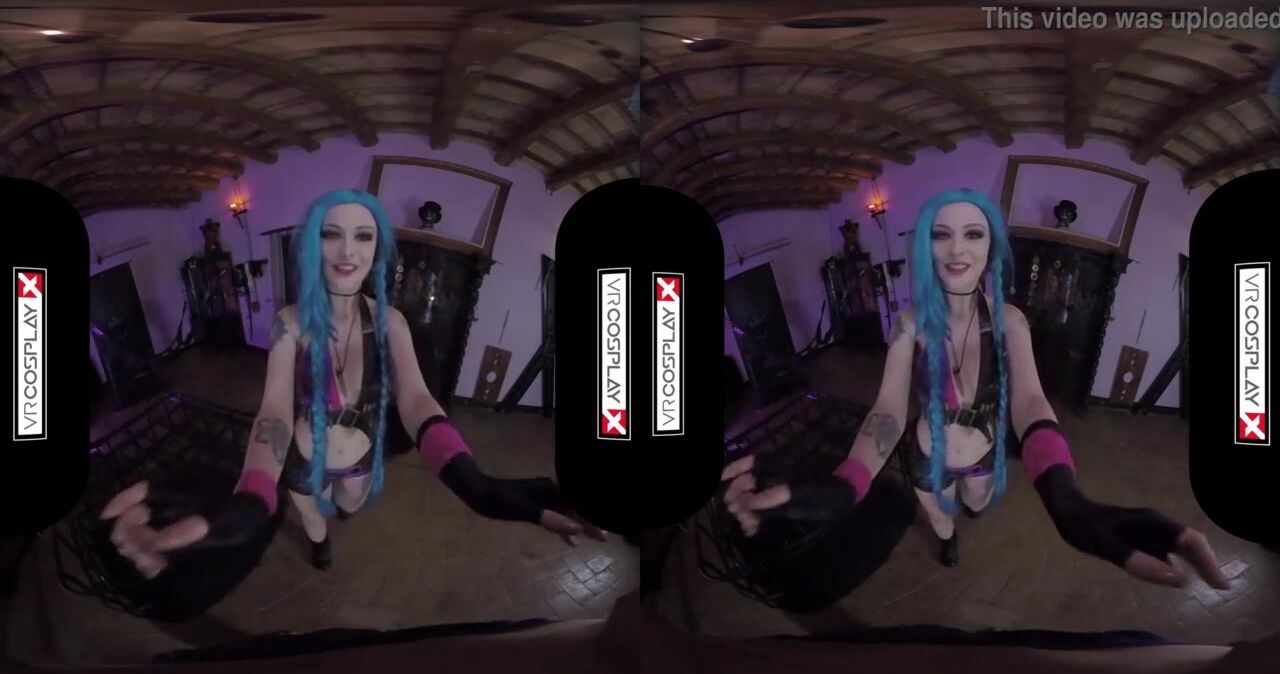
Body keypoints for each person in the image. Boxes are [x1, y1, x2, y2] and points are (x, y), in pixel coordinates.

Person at [722, 188, 1229, 590]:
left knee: (977, 501)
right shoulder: (909, 324)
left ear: (990, 249)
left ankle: (967, 510)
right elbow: (888, 411)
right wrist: (845, 484)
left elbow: (1030, 401)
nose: (957, 248)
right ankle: (948, 543)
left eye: (972, 234)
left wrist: (1065, 496)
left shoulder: (1010, 321)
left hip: (983, 453)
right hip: (927, 455)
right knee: (940, 517)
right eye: (941, 235)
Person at [102, 189, 602, 578]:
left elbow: (416, 400)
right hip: (302, 456)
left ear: (376, 249)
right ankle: (319, 547)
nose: (347, 250)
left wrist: (474, 483)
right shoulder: (289, 323)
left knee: (349, 504)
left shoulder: (391, 323)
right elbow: (273, 410)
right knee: (314, 519)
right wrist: (252, 493)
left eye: (363, 236)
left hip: (360, 455)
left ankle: (333, 516)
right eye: (331, 234)